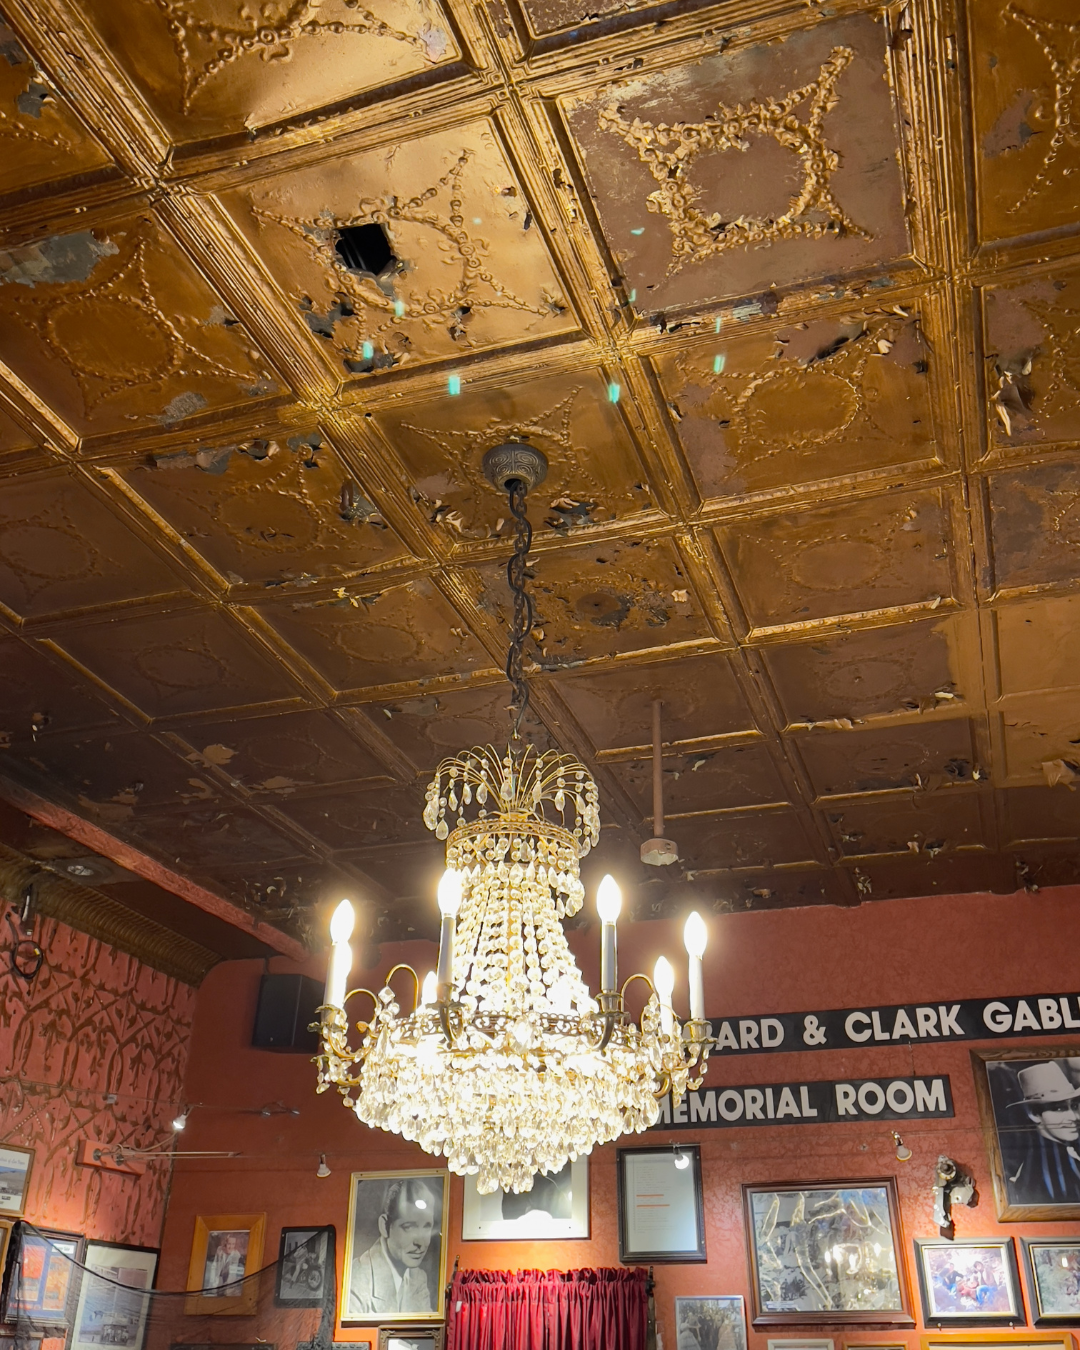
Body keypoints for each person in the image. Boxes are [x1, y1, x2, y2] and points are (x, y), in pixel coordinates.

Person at [349, 1179, 437, 1316]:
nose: (421, 1242)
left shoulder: (418, 1278)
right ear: (384, 1226)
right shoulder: (357, 1277)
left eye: (427, 1227)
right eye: (409, 1227)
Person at [1001, 1062, 1080, 1206]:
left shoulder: (1070, 1153)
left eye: (1074, 1106)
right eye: (1059, 1109)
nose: (1074, 1117)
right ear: (1034, 1114)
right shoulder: (1041, 1172)